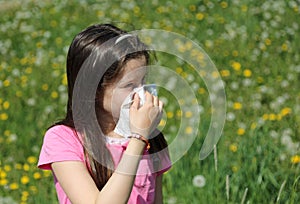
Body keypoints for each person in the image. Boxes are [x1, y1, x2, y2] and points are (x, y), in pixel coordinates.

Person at [37, 23, 171, 204]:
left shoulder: (151, 138)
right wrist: (138, 139)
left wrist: (142, 137)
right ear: (94, 89)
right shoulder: (62, 139)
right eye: (129, 86)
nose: (141, 93)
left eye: (143, 81)